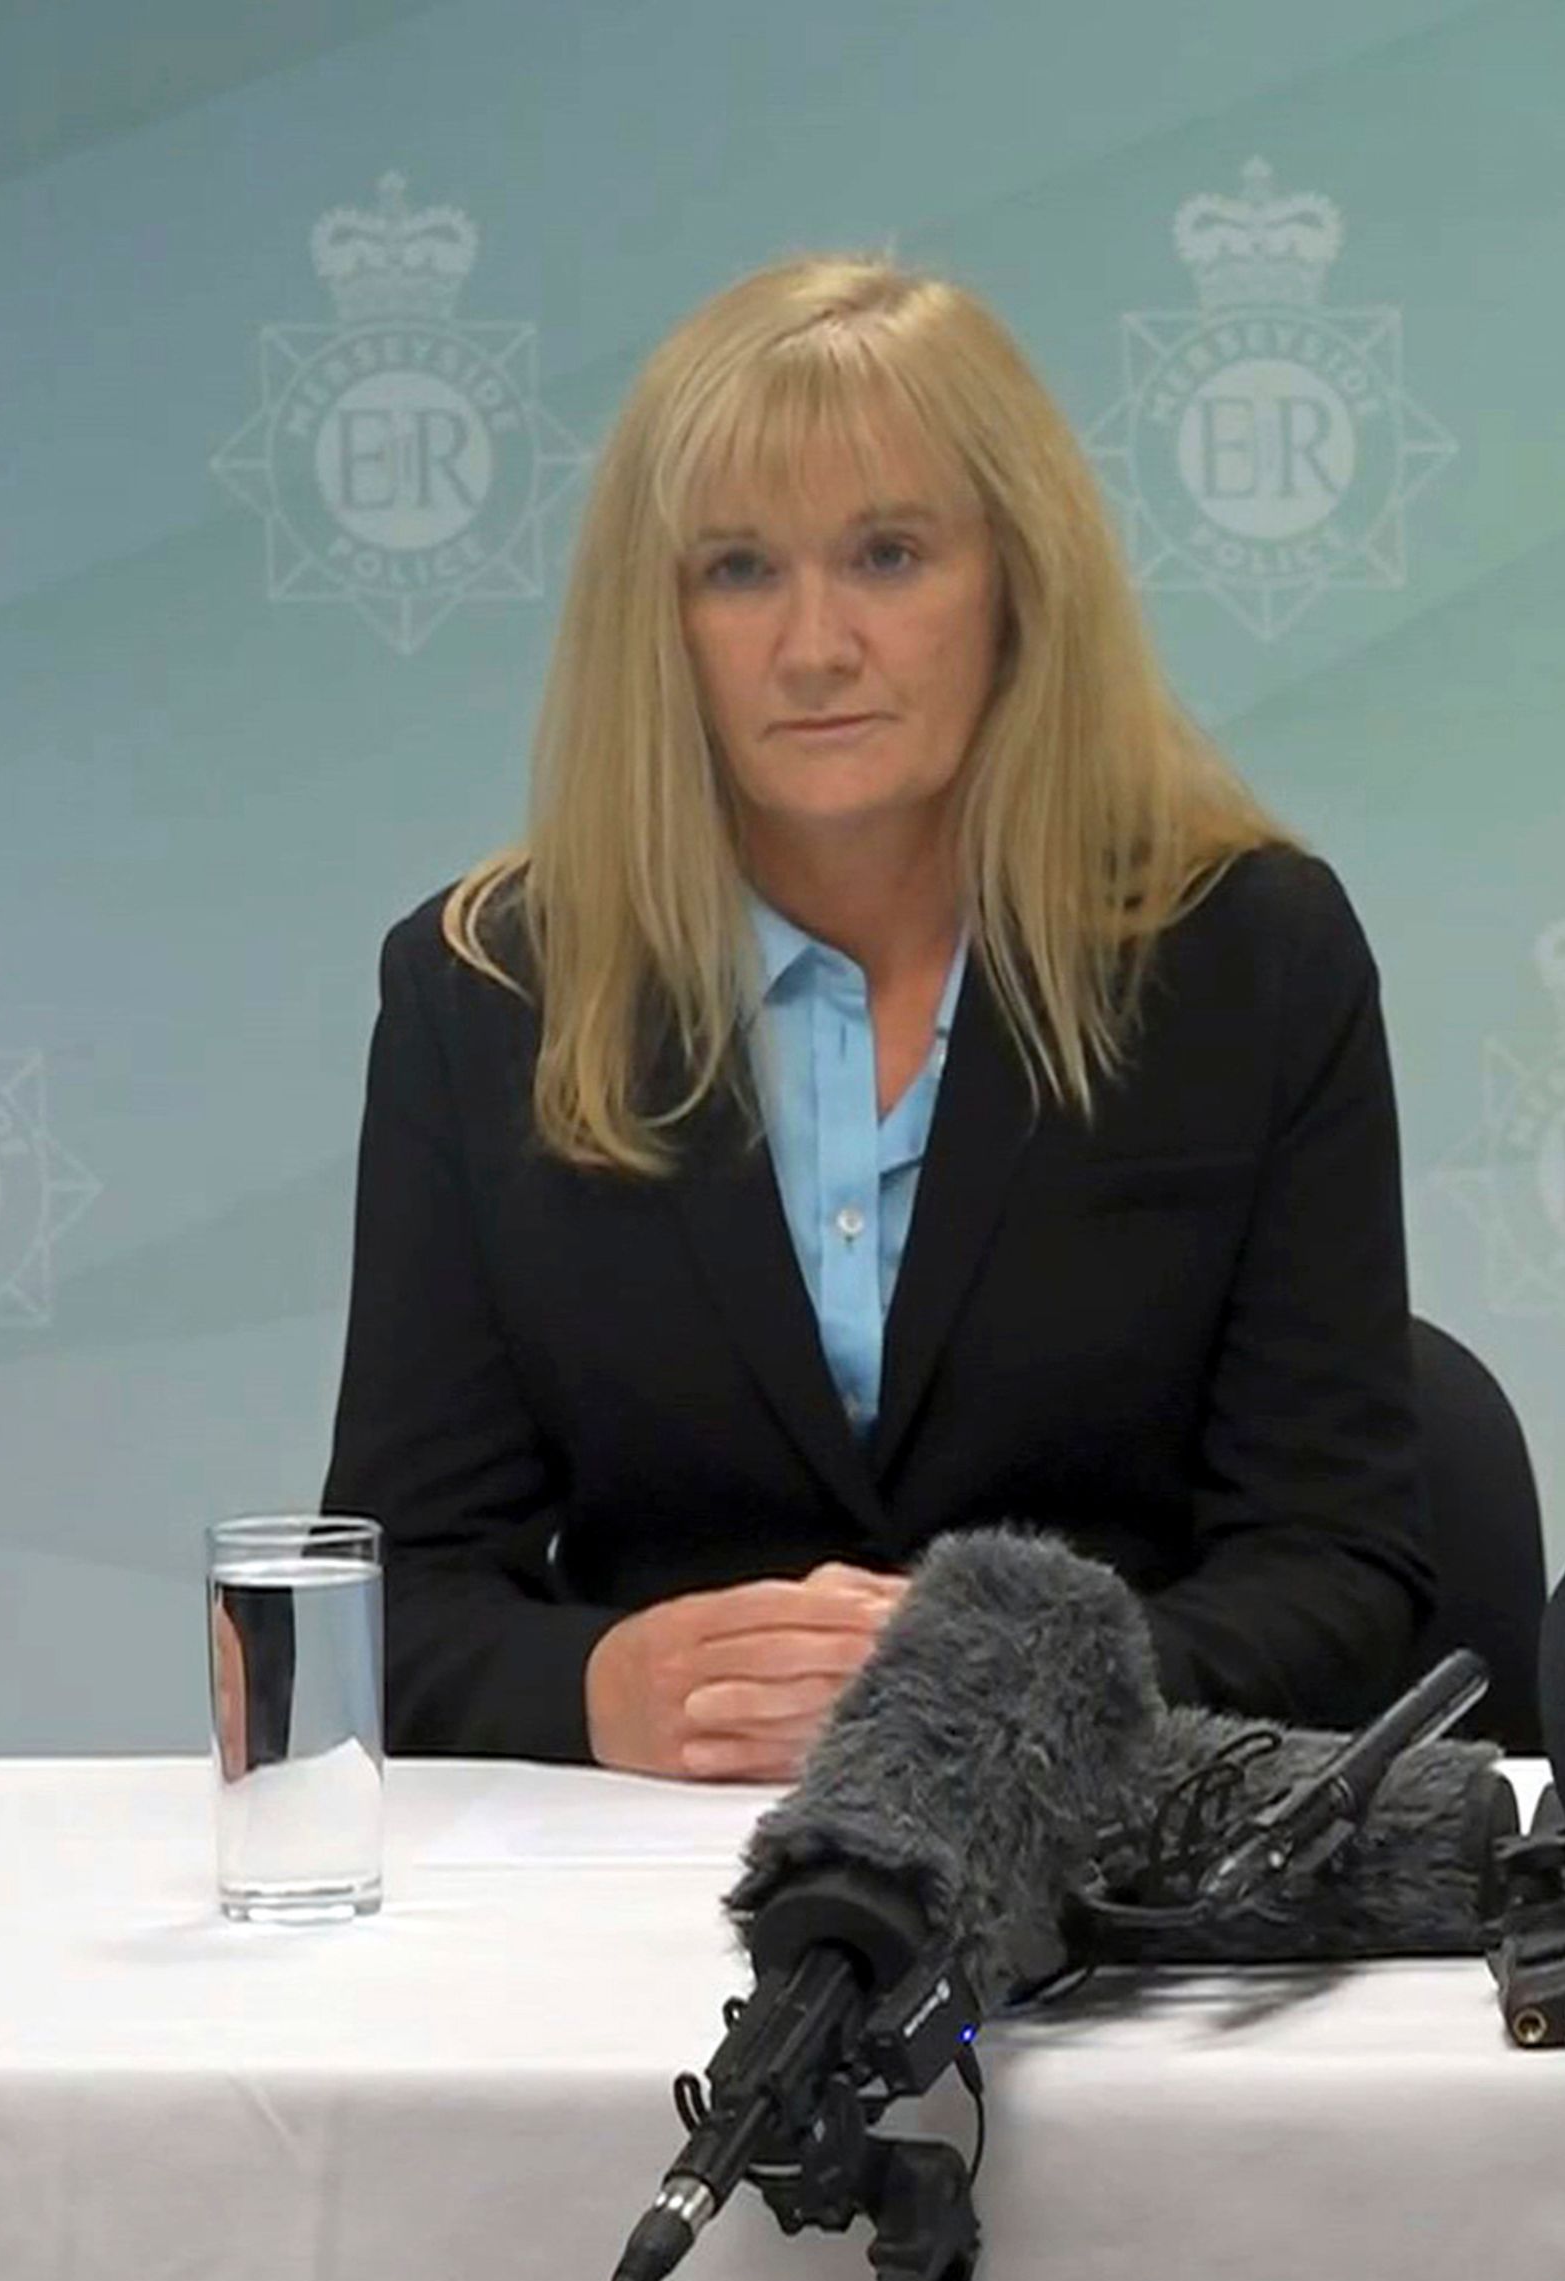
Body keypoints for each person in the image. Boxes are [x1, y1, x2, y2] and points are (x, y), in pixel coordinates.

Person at [324, 255, 1428, 1777]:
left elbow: (1346, 1573)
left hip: (1110, 1886)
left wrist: (1001, 1692)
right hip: (622, 1898)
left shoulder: (1248, 958)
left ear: (1018, 586)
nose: (815, 645)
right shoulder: (486, 995)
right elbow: (397, 1601)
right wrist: (599, 1687)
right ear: (660, 624)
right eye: (738, 570)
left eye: (890, 555)